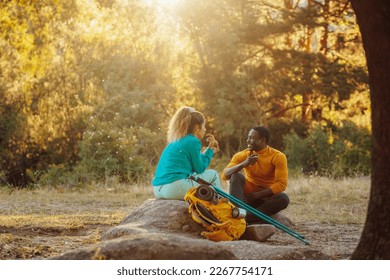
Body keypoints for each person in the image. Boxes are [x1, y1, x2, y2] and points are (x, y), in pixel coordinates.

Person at [221, 125, 289, 224]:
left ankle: (245, 216)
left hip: (266, 197)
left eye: (251, 138)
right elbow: (224, 175)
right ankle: (241, 212)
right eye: (248, 137)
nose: (248, 140)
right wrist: (243, 164)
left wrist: (256, 195)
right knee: (235, 176)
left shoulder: (278, 156)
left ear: (262, 140)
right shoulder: (242, 155)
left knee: (283, 198)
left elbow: (281, 184)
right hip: (246, 199)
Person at [152, 106, 220, 200]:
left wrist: (208, 150)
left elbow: (194, 165)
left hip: (158, 190)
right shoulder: (193, 141)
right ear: (197, 127)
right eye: (203, 126)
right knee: (214, 174)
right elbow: (199, 169)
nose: (205, 129)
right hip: (174, 188)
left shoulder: (176, 141)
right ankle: (221, 205)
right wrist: (210, 151)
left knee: (207, 187)